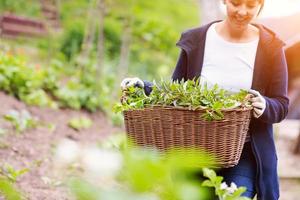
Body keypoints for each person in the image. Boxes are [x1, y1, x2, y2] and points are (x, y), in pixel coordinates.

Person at [120, 0, 289, 199]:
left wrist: (265, 105)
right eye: (236, 3)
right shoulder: (198, 39)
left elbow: (281, 104)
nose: (242, 11)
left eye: (250, 5)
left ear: (260, 5)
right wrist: (144, 87)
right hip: (196, 148)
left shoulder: (270, 46)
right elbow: (176, 91)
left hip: (245, 151)